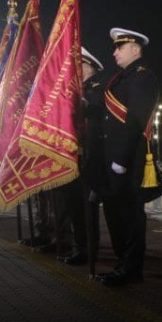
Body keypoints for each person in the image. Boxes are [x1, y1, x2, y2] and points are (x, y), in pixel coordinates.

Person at [95, 28, 159, 286]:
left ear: (135, 48)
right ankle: (122, 263)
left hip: (129, 159)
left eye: (119, 48)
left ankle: (131, 269)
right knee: (116, 215)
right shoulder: (120, 78)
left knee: (131, 217)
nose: (114, 53)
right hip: (112, 158)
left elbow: (135, 120)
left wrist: (121, 159)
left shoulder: (143, 77)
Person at [74, 47, 110, 270]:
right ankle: (80, 247)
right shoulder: (80, 88)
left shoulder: (98, 86)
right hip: (76, 154)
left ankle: (89, 249)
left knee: (87, 206)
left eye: (77, 65)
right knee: (76, 205)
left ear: (88, 66)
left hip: (91, 154)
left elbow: (94, 110)